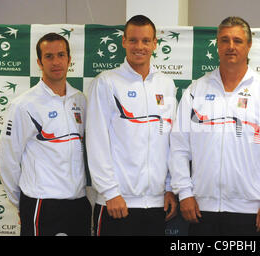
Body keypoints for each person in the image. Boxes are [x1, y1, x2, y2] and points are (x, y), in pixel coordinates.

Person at [169, 16, 260, 236]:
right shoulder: (197, 90)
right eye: (224, 40)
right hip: (200, 209)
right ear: (217, 44)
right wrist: (184, 193)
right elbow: (179, 147)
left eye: (238, 41)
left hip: (250, 211)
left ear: (249, 45)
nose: (231, 46)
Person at [86, 14, 178, 236]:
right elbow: (96, 142)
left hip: (156, 205)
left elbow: (170, 141)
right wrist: (110, 192)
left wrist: (168, 188)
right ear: (124, 42)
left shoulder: (166, 84)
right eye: (133, 40)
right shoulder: (106, 82)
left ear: (155, 43)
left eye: (146, 41)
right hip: (117, 203)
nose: (139, 47)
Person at [0, 33, 91, 236]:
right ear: (39, 62)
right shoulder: (24, 104)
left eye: (61, 55)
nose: (56, 62)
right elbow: (6, 159)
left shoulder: (80, 100)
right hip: (42, 205)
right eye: (49, 56)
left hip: (79, 204)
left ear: (69, 60)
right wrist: (21, 201)